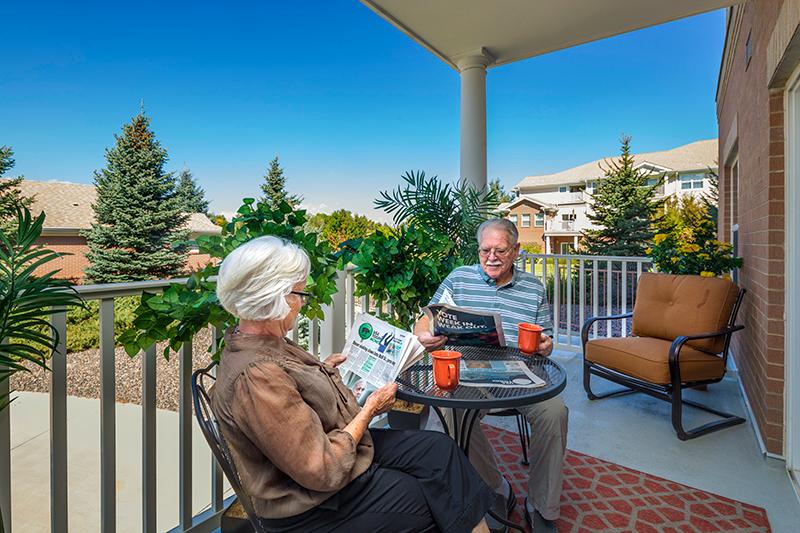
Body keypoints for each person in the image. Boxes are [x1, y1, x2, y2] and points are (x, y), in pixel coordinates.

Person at [211, 236, 494, 533]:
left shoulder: (263, 342)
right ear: (276, 296)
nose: (302, 303)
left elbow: (292, 399)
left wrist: (324, 372)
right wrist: (371, 409)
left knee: (440, 451)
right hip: (311, 505)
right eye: (300, 293)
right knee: (435, 498)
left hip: (339, 458)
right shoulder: (257, 375)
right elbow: (320, 467)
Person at [414, 218, 568, 530]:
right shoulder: (459, 278)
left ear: (516, 251)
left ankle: (541, 508)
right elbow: (424, 319)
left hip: (520, 373)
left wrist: (545, 345)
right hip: (468, 371)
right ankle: (497, 489)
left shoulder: (534, 288)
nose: (492, 257)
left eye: (500, 250)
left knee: (555, 412)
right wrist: (424, 334)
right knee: (448, 411)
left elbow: (546, 341)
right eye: (485, 250)